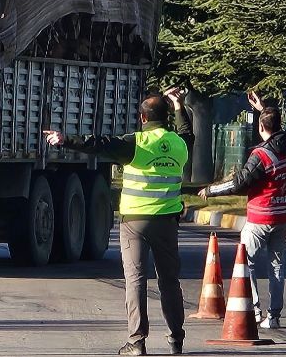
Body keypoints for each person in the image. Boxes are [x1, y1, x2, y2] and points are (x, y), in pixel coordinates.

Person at [44, 88, 192, 356]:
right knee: (169, 281)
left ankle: (137, 342)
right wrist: (180, 106)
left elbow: (99, 144)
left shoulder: (136, 143)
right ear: (166, 117)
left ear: (143, 118)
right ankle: (176, 340)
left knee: (136, 281)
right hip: (167, 222)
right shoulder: (179, 144)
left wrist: (65, 139)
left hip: (135, 222)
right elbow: (187, 133)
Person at [198, 91, 286, 329]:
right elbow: (274, 133)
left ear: (262, 127)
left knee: (246, 264)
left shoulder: (260, 155)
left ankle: (253, 309)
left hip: (260, 216)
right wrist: (261, 109)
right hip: (283, 215)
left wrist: (211, 190)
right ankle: (274, 316)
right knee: (277, 266)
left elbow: (239, 182)